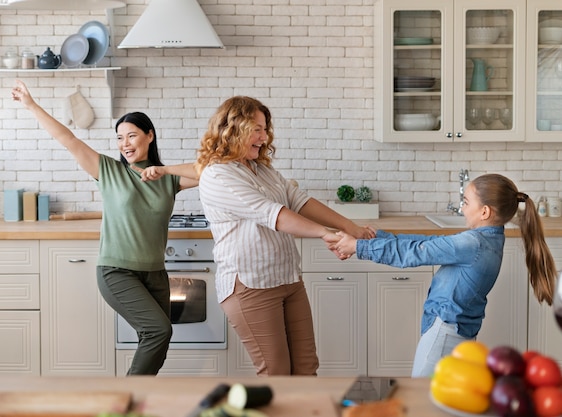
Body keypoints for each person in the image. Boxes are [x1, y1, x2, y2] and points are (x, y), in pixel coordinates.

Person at [11, 80, 199, 375]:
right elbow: (69, 140)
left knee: (156, 339)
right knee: (158, 331)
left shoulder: (168, 179)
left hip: (155, 274)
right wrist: (32, 105)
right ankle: (125, 401)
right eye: (120, 137)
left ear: (149, 136)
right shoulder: (109, 171)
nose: (125, 143)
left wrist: (166, 169)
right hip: (116, 272)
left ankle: (139, 401)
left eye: (132, 135)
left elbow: (210, 170)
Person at [194, 95, 376, 376]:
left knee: (306, 368)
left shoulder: (260, 169)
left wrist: (350, 228)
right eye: (257, 129)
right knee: (276, 374)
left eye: (265, 129)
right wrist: (325, 234)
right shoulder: (218, 175)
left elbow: (298, 200)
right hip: (251, 286)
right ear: (234, 128)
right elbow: (272, 213)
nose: (264, 137)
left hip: (287, 279)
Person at [328, 173, 557, 377]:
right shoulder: (489, 239)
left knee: (422, 403)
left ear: (485, 211)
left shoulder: (473, 243)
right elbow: (431, 243)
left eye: (466, 202)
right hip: (459, 335)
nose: (462, 208)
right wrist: (381, 237)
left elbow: (414, 254)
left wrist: (359, 247)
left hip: (444, 337)